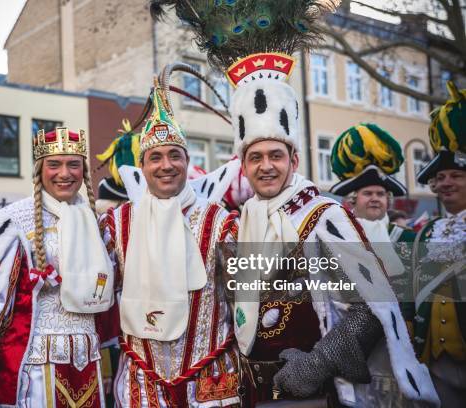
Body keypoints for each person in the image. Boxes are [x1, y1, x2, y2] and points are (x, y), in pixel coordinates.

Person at [150, 1, 439, 406]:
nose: (266, 166)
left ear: (295, 160)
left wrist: (320, 362)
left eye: (276, 155)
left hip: (314, 392)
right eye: (255, 157)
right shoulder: (238, 223)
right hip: (252, 391)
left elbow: (373, 304)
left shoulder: (325, 217)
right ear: (243, 166)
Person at [0, 127, 114, 407]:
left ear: (83, 171)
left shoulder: (95, 222)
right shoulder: (14, 221)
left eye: (73, 165)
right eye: (54, 164)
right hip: (35, 372)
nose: (64, 173)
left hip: (88, 365)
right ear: (40, 169)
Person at [99, 77, 240, 407]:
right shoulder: (116, 224)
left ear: (187, 161)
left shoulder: (223, 222)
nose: (166, 165)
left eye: (174, 155)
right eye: (155, 157)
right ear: (142, 166)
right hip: (141, 383)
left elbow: (252, 299)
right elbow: (94, 294)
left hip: (213, 381)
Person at [329, 123, 419, 405]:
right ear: (352, 200)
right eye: (368, 194)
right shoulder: (338, 241)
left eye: (381, 194)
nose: (376, 199)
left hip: (401, 345)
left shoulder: (407, 238)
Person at [413, 81, 466, 408]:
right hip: (437, 366)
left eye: (456, 176)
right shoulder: (427, 233)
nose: (444, 183)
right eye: (440, 177)